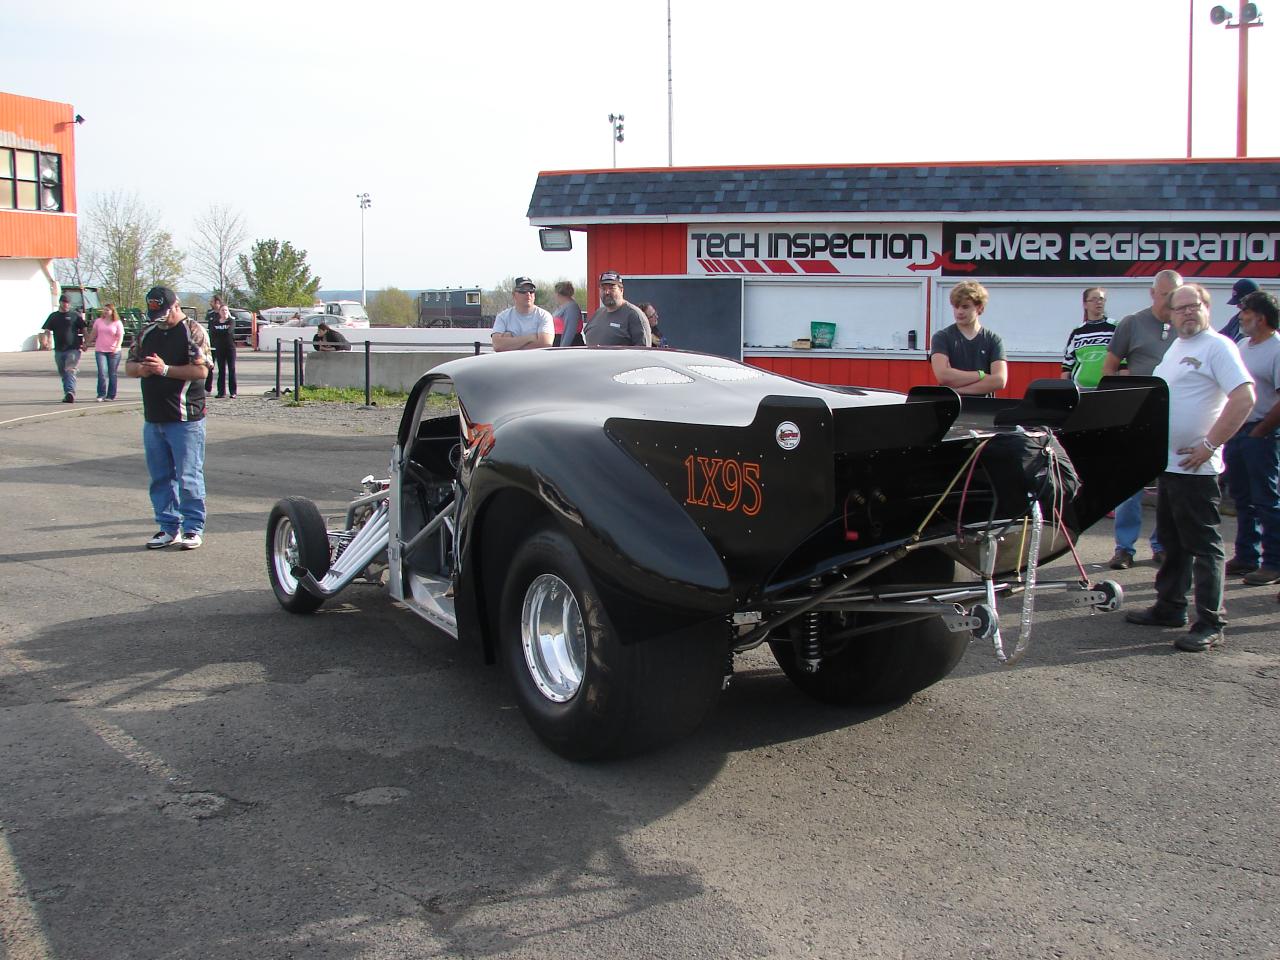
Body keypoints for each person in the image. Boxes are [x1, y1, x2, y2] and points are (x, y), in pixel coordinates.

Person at [1125, 283, 1254, 652]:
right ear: (1170, 314)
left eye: (1192, 306)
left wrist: (1210, 444)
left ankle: (1211, 622)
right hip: (1170, 465)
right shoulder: (1178, 347)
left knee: (1204, 546)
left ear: (1206, 308)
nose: (1186, 313)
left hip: (1196, 469)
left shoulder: (1218, 347)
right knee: (1173, 541)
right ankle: (1170, 607)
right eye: (1179, 308)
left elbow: (1244, 397)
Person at [1100, 269, 1184, 569]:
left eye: (1175, 296)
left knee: (1168, 487)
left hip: (1174, 417)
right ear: (1152, 293)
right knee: (1129, 485)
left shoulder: (1185, 327)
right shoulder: (1132, 323)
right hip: (1137, 415)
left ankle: (1161, 545)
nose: (1171, 302)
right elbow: (1109, 367)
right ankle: (1124, 548)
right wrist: (1117, 405)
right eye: (1165, 295)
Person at [125, 286, 214, 551]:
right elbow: (129, 365)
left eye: (164, 313)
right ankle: (167, 526)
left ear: (176, 305)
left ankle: (193, 527)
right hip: (154, 416)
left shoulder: (193, 331)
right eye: (155, 314)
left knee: (188, 476)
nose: (160, 319)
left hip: (185, 417)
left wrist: (164, 369)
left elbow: (202, 371)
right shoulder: (147, 332)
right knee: (160, 477)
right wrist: (142, 369)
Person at [1222, 290, 1280, 584]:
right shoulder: (1243, 345)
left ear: (1262, 317)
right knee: (1242, 499)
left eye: (1245, 312)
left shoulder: (1277, 348)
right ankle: (1246, 556)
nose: (1241, 317)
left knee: (1266, 500)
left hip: (1262, 434)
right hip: (1238, 432)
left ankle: (1274, 563)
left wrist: (1260, 431)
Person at [929, 280, 1007, 397]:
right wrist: (981, 375)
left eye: (965, 307)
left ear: (980, 308)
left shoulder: (993, 340)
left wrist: (957, 390)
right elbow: (943, 376)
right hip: (952, 405)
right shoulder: (941, 337)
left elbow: (999, 380)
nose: (959, 312)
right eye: (956, 307)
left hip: (984, 406)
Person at [1060, 287, 1117, 389]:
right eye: (1093, 299)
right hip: (1080, 388)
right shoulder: (1078, 331)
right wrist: (1064, 390)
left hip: (1108, 387)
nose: (1098, 302)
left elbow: (1123, 360)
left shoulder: (1115, 327)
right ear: (1085, 305)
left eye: (1101, 299)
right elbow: (1067, 365)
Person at [584, 271, 651, 347]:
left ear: (621, 290)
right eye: (603, 288)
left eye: (612, 288)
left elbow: (643, 350)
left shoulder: (634, 315)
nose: (607, 292)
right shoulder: (597, 313)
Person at [41, 294, 87, 402]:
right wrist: (46, 341)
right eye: (64, 302)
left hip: (73, 348)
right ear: (60, 302)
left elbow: (84, 329)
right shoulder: (53, 316)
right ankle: (67, 393)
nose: (66, 304)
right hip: (59, 349)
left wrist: (86, 342)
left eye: (68, 303)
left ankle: (70, 392)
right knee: (63, 373)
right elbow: (47, 330)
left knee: (70, 370)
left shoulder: (75, 315)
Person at [491, 277, 554, 352]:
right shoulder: (502, 317)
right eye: (523, 291)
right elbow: (498, 345)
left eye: (531, 291)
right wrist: (531, 337)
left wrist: (510, 342)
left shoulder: (544, 316)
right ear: (514, 295)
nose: (528, 294)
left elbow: (545, 344)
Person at [85, 303, 125, 402]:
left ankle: (111, 395)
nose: (105, 312)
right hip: (100, 350)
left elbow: (120, 336)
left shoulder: (117, 323)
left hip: (113, 351)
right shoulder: (98, 321)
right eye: (104, 310)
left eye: (107, 310)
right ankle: (101, 394)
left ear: (112, 312)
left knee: (112, 373)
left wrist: (117, 347)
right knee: (102, 372)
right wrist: (87, 343)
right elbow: (93, 333)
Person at [204, 296, 238, 398]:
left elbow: (229, 332)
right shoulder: (215, 322)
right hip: (219, 348)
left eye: (226, 310)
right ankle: (221, 392)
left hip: (230, 348)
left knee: (231, 369)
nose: (224, 312)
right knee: (221, 370)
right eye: (222, 310)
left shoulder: (231, 321)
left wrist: (220, 331)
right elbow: (213, 333)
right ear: (219, 312)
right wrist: (220, 332)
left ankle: (233, 392)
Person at [1218, 278, 1259, 343]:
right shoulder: (1236, 320)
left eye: (1240, 303)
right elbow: (1220, 337)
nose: (1237, 306)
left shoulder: (1267, 323)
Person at [552, 281, 584, 347]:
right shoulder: (562, 307)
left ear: (558, 293)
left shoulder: (571, 307)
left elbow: (570, 331)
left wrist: (563, 349)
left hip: (569, 344)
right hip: (558, 342)